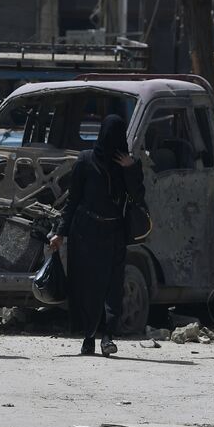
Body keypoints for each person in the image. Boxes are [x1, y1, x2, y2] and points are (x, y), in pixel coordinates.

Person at [49, 113, 144, 357]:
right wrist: (61, 233)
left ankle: (108, 336)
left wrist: (130, 170)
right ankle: (89, 336)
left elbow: (138, 198)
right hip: (85, 233)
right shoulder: (85, 160)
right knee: (87, 286)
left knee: (113, 287)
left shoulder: (130, 164)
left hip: (114, 232)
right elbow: (73, 200)